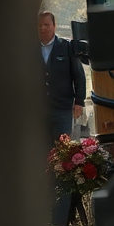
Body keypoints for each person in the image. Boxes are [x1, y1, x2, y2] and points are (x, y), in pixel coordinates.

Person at [40, 11, 85, 144]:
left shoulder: (66, 47)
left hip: (62, 108)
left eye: (46, 25)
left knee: (62, 149)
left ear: (54, 26)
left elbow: (79, 76)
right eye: (40, 25)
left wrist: (79, 101)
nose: (43, 28)